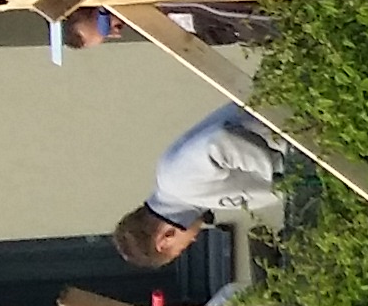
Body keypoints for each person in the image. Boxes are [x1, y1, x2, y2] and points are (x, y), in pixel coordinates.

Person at [113, 103, 285, 269]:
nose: (193, 241)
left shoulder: (175, 181)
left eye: (181, 249)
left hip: (291, 122)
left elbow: (220, 142)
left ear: (164, 240)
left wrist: (283, 167)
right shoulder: (190, 199)